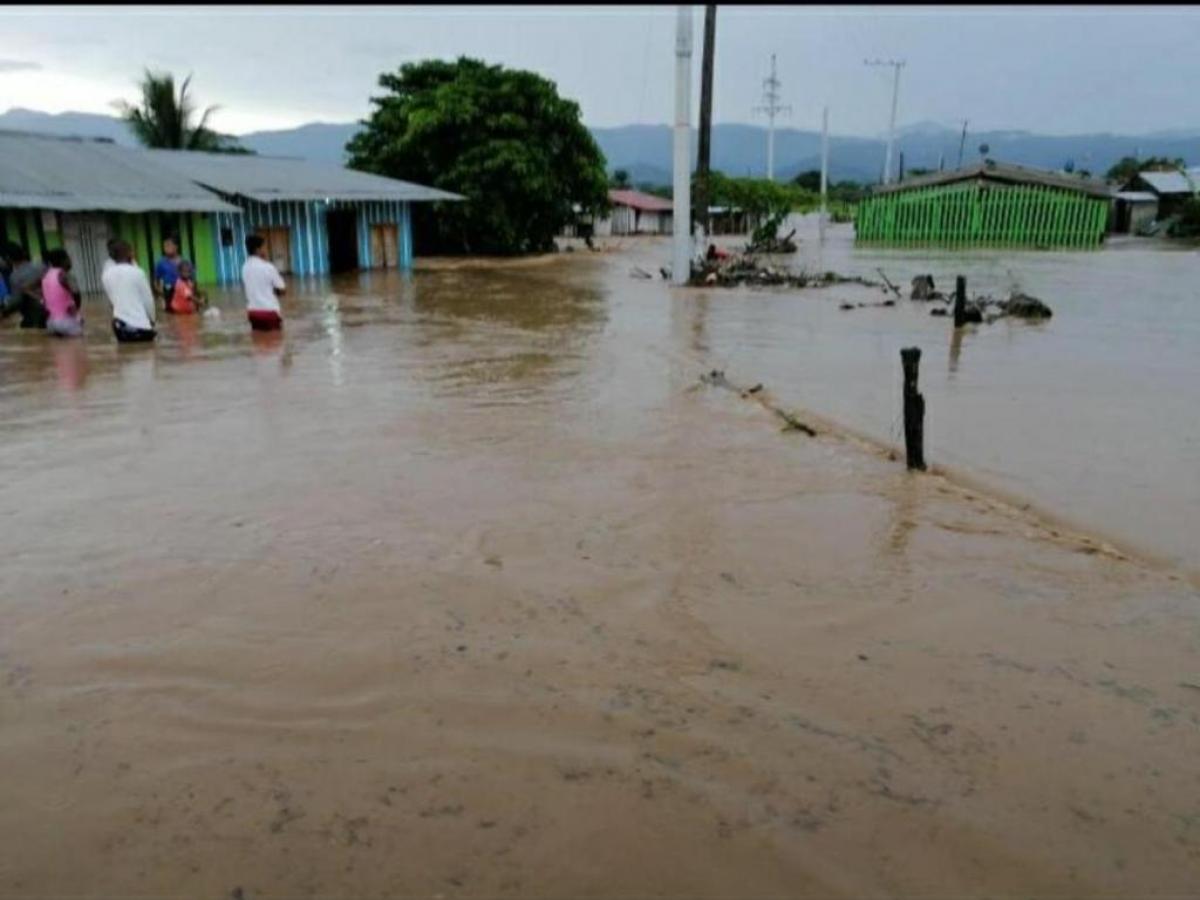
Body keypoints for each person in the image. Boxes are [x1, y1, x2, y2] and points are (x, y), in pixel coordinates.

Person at [101, 240, 157, 343]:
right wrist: (152, 320)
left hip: (118, 326)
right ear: (129, 253)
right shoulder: (138, 272)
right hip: (141, 327)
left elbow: (112, 302)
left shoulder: (106, 274)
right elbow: (148, 300)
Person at [242, 234, 285, 331]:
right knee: (276, 339)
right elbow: (282, 290)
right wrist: (275, 291)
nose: (266, 250)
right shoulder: (268, 267)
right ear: (258, 250)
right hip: (269, 312)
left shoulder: (245, 267)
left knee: (258, 339)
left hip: (253, 313)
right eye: (264, 247)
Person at [1, 244, 49, 329]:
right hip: (52, 309)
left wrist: (4, 309)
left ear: (8, 258)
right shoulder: (42, 266)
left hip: (35, 317)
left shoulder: (15, 276)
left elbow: (17, 300)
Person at [41, 248, 84, 338]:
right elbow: (76, 294)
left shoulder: (46, 276)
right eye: (68, 258)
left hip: (50, 323)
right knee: (80, 343)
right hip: (66, 322)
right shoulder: (66, 275)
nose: (70, 261)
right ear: (63, 260)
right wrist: (76, 314)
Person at [153, 236, 188, 311]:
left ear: (176, 247)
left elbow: (191, 280)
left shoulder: (184, 261)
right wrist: (161, 293)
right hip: (168, 295)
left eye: (169, 245)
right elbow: (156, 281)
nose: (166, 248)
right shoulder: (161, 263)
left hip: (183, 296)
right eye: (165, 246)